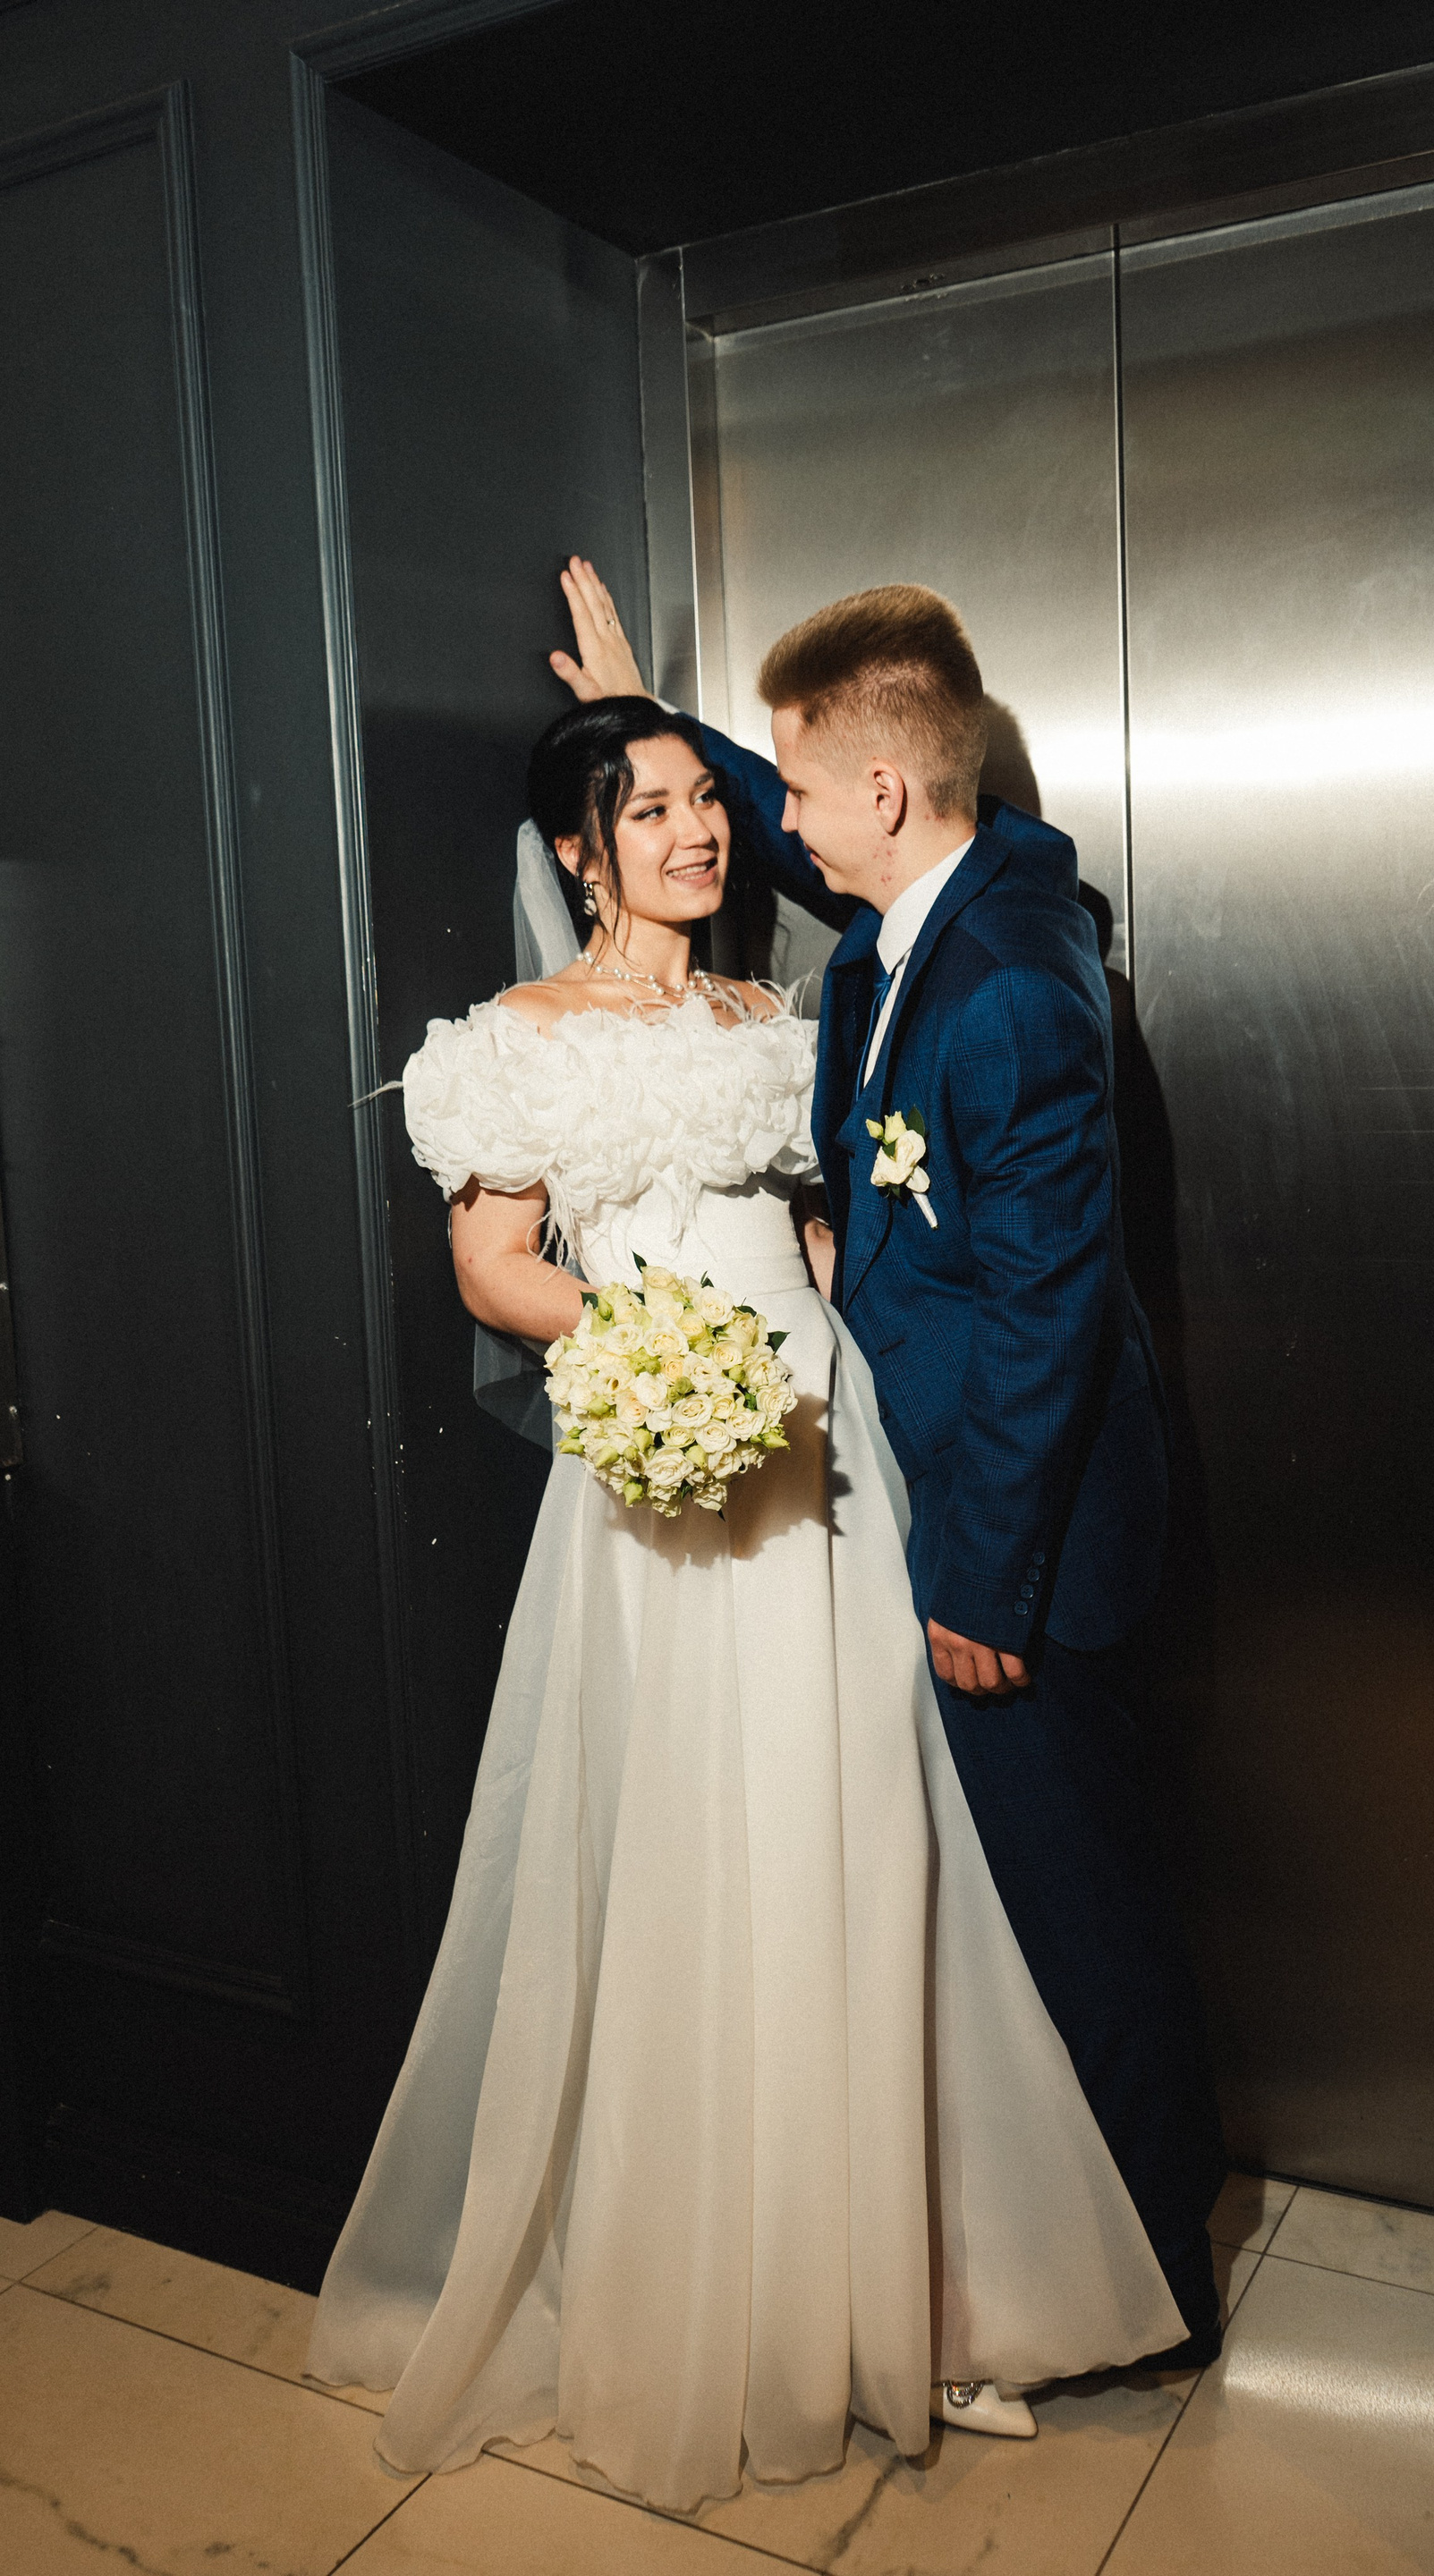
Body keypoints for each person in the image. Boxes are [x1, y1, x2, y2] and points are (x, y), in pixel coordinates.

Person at [305, 694, 1190, 2511]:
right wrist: (659, 1352)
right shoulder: (514, 1040)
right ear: (580, 852)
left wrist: (810, 1270)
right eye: (648, 811)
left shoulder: (780, 1018)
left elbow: (821, 1217)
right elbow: (494, 1270)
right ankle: (723, 2288)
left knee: (867, 1832)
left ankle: (906, 2294)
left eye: (710, 800)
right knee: (703, 1847)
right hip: (667, 1451)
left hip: (830, 1452)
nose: (699, 833)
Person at [554, 561, 1227, 2360]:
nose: (765, 822)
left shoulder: (1002, 983)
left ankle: (1158, 2288)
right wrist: (646, 722)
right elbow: (800, 841)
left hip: (1033, 1548)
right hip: (971, 1502)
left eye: (787, 784)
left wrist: (985, 1586)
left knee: (1080, 1913)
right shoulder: (947, 899)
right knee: (1046, 1897)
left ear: (884, 792)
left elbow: (1047, 1313)